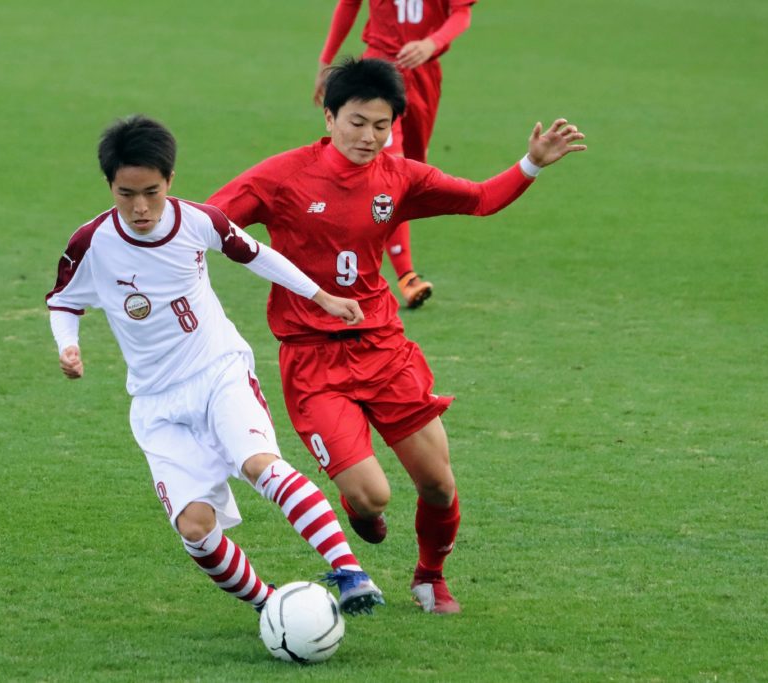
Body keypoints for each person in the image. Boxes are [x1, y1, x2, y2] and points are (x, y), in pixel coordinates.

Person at [208, 58, 585, 614]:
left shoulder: (399, 176)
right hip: (313, 361)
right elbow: (206, 223)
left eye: (381, 126)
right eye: (357, 122)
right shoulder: (280, 177)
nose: (369, 137)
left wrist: (531, 163)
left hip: (384, 349)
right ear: (330, 115)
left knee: (438, 485)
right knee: (373, 496)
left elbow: (480, 198)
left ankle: (430, 578)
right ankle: (359, 507)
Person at [44, 115, 385, 616]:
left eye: (152, 192)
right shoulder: (90, 243)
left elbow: (257, 255)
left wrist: (321, 296)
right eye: (126, 193)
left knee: (259, 466)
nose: (140, 207)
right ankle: (273, 609)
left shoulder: (199, 221)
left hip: (218, 371)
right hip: (156, 403)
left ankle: (352, 573)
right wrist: (66, 345)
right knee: (196, 529)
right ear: (110, 186)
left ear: (171, 181)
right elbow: (63, 301)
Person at [313, 0, 478, 309]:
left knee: (412, 173)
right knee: (386, 170)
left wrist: (431, 43)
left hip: (424, 73)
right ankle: (404, 275)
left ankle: (367, 243)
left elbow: (462, 14)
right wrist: (326, 60)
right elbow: (348, 6)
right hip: (379, 71)